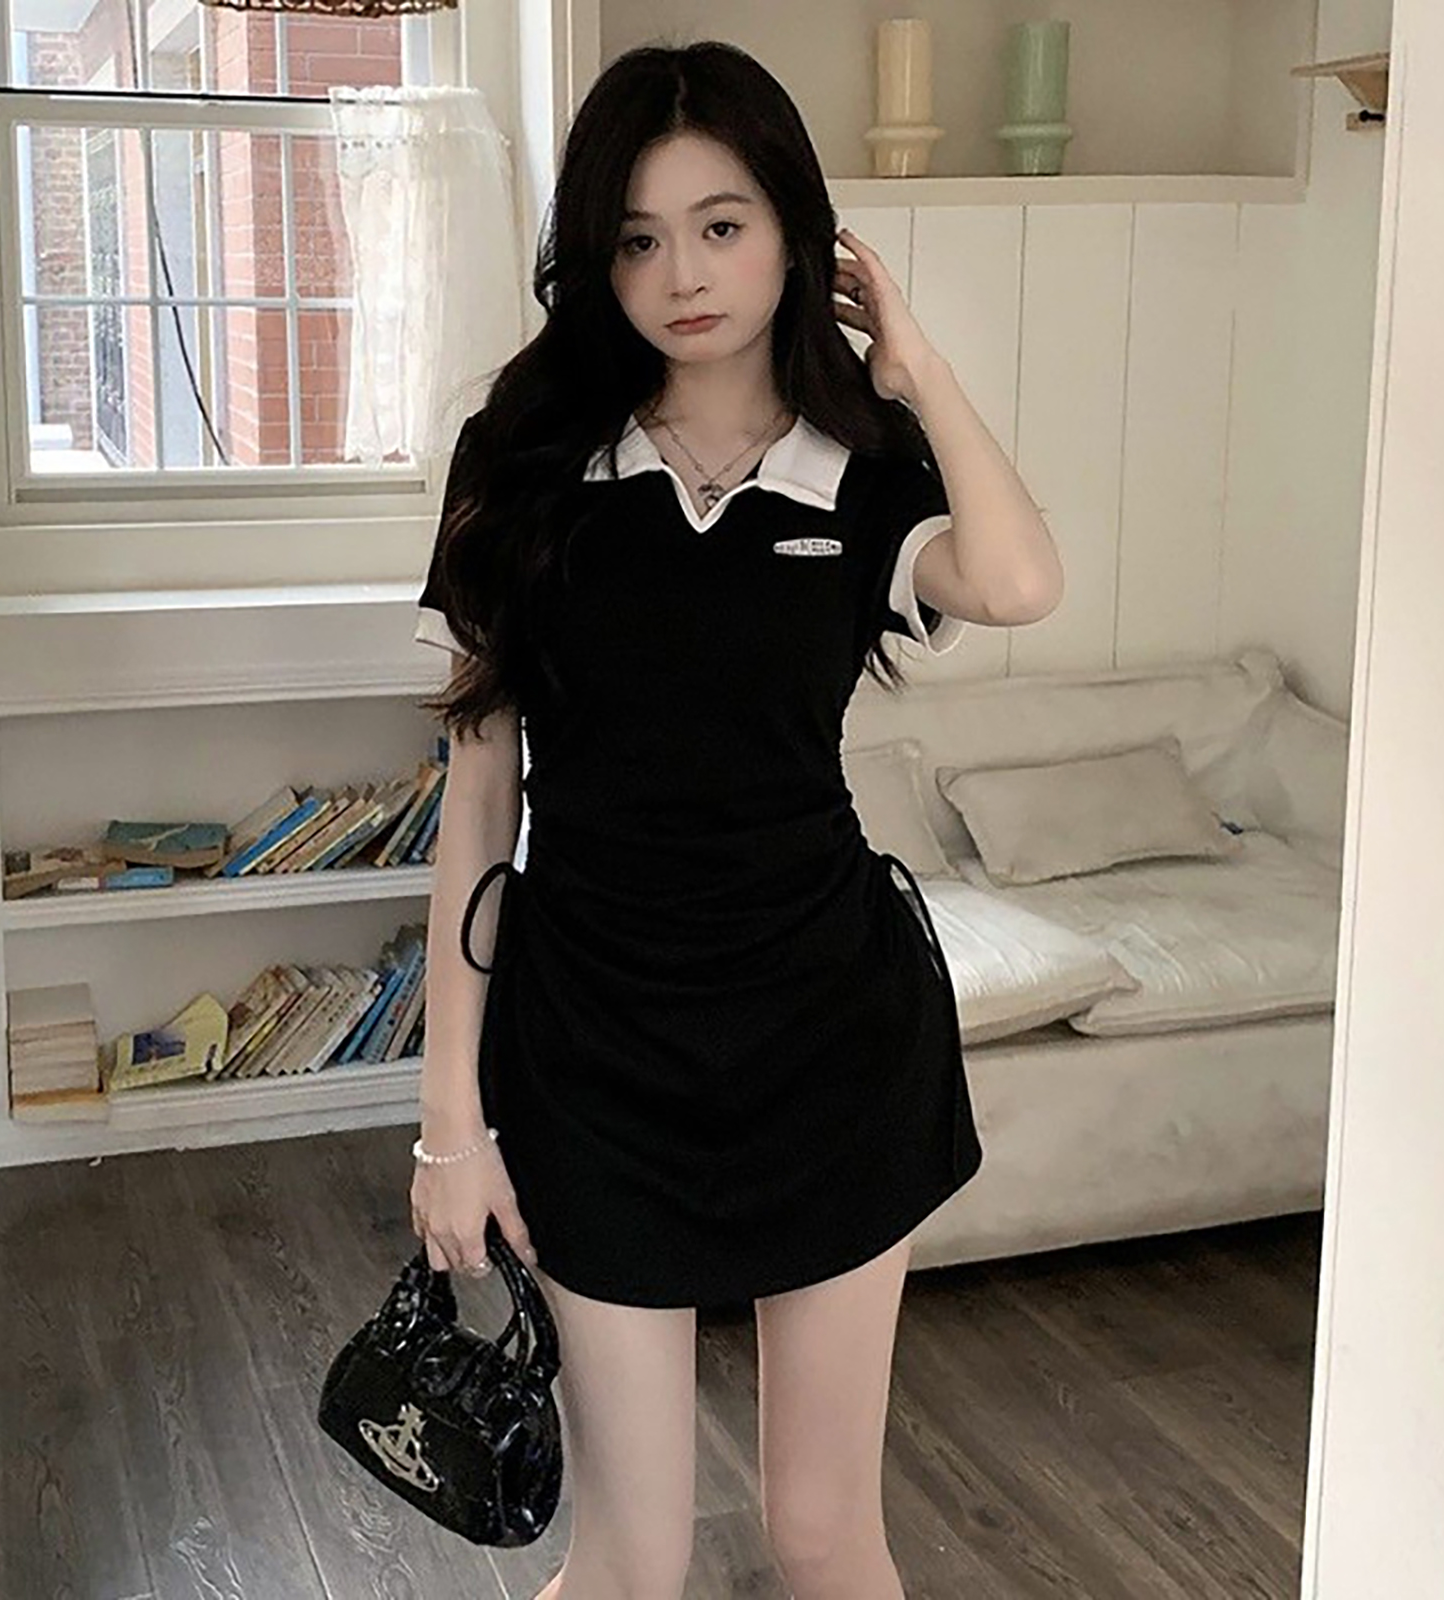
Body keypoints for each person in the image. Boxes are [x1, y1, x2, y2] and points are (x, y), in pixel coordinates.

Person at [407, 39, 1063, 1600]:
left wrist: (914, 363)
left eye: (721, 225)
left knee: (823, 1534)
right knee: (630, 1562)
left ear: (795, 231)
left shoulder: (863, 471)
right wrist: (450, 1126)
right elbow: (478, 811)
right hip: (594, 1057)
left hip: (831, 1047)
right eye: (637, 239)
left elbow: (1019, 581)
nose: (683, 276)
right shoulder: (525, 462)